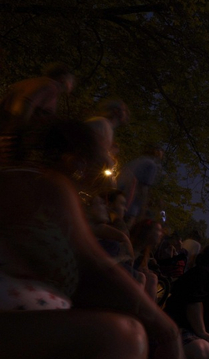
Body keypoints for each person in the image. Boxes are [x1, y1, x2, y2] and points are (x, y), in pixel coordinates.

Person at [0, 118, 182, 359]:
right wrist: (167, 330)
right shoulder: (46, 185)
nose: (107, 161)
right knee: (124, 334)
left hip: (29, 318)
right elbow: (97, 267)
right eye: (103, 153)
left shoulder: (37, 186)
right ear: (75, 160)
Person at [164, 242, 209, 359]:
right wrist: (202, 332)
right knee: (202, 351)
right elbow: (194, 301)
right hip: (191, 331)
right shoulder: (201, 273)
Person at [0, 62, 75, 133]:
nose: (72, 83)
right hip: (18, 138)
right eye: (71, 79)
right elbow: (26, 102)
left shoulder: (28, 83)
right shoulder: (51, 86)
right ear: (63, 78)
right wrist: (16, 132)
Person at [117, 145, 164, 225]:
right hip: (130, 206)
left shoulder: (136, 161)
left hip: (118, 200)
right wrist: (142, 210)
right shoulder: (151, 165)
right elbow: (144, 188)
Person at [85, 98, 130, 167]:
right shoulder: (103, 125)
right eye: (124, 110)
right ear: (116, 111)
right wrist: (111, 162)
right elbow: (99, 153)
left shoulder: (103, 124)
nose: (127, 113)